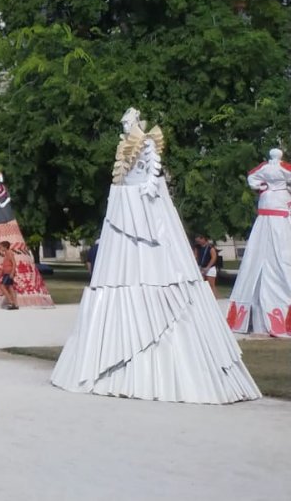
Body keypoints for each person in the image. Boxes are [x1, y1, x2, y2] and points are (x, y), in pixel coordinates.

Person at [51, 108, 259, 402]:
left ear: (135, 121)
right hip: (125, 201)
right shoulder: (125, 145)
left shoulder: (146, 141)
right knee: (120, 271)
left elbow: (153, 168)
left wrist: (148, 189)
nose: (125, 125)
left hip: (144, 200)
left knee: (158, 261)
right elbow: (124, 175)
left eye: (127, 121)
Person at [227, 147, 291, 336]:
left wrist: (262, 187)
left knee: (259, 255)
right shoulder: (284, 168)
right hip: (279, 205)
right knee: (281, 253)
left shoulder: (263, 168)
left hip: (268, 203)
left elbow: (252, 178)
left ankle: (253, 318)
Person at [0, 170, 52, 309]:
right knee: (7, 286)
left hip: (6, 212)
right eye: (0, 176)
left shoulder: (3, 187)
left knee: (6, 286)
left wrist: (6, 201)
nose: (2, 177)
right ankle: (13, 303)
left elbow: (7, 196)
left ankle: (12, 303)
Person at [0, 240, 19, 309]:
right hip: (6, 273)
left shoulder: (9, 253)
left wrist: (12, 273)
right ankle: (15, 304)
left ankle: (11, 302)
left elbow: (14, 263)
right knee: (10, 287)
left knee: (2, 286)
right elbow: (6, 263)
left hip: (9, 273)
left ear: (5, 247)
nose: (0, 248)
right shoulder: (6, 253)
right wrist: (2, 271)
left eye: (1, 247)